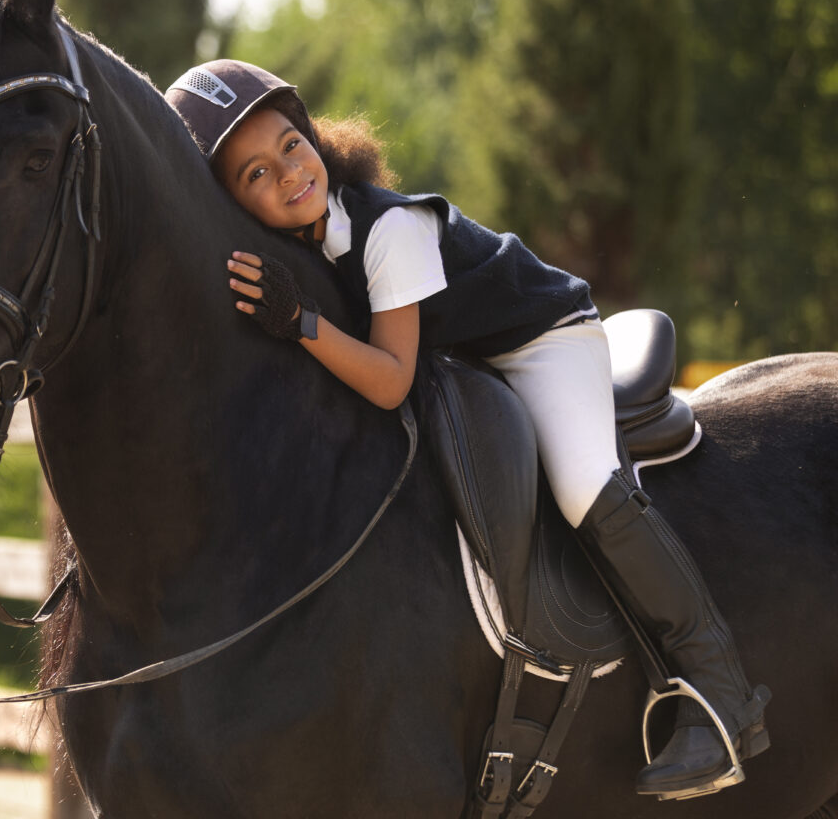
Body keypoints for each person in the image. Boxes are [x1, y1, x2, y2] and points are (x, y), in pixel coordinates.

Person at [165, 60, 770, 800]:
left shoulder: (391, 228)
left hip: (543, 339)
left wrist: (301, 322)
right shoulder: (302, 243)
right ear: (233, 202)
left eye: (292, 145)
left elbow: (390, 380)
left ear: (312, 136)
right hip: (471, 361)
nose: (289, 173)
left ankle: (719, 690)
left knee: (582, 483)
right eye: (257, 173)